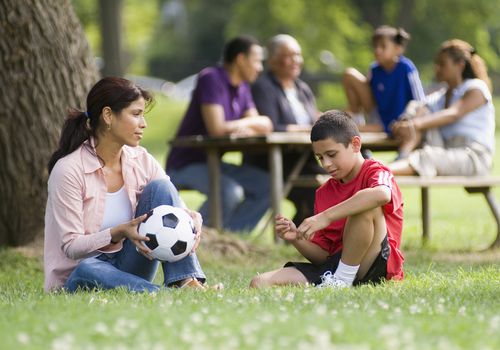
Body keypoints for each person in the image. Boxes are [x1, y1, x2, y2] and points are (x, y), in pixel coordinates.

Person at [44, 77, 208, 293]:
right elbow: (72, 247)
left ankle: (186, 281)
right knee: (88, 267)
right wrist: (118, 232)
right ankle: (161, 294)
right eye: (136, 114)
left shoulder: (141, 159)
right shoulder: (69, 170)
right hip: (81, 275)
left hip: (129, 267)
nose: (144, 123)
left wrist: (191, 217)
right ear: (108, 115)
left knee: (161, 187)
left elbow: (173, 203)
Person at [250, 110, 404, 289]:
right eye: (320, 158)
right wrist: (296, 239)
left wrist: (325, 217)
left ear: (355, 144)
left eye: (332, 154)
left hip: (374, 265)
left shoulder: (377, 172)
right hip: (336, 268)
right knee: (259, 282)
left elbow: (382, 195)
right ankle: (339, 281)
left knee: (365, 204)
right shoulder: (324, 193)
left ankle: (342, 281)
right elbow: (324, 257)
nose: (326, 164)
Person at [166, 35, 273, 233]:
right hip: (185, 164)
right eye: (257, 61)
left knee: (268, 185)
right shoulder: (211, 77)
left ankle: (231, 239)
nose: (260, 67)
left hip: (213, 162)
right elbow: (217, 128)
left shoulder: (242, 87)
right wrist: (244, 124)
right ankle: (193, 235)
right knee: (229, 191)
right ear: (241, 59)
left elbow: (264, 124)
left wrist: (240, 124)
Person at [244, 34, 325, 225]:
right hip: (271, 160)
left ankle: (303, 232)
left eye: (298, 55)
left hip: (302, 159)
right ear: (272, 61)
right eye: (289, 56)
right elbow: (270, 126)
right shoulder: (262, 87)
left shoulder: (302, 88)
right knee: (316, 189)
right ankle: (298, 233)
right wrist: (305, 129)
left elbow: (315, 119)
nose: (295, 61)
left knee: (340, 179)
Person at [389, 39, 495, 177]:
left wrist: (414, 124)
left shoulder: (476, 88)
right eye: (436, 64)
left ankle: (382, 171)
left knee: (428, 156)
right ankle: (404, 153)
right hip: (446, 149)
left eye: (442, 64)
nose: (436, 68)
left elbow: (453, 114)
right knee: (418, 107)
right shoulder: (441, 95)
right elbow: (420, 108)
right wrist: (405, 122)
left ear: (460, 65)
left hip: (472, 157)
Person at [342, 26, 425, 140]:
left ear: (397, 49)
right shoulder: (374, 69)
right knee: (349, 74)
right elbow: (366, 98)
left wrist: (408, 121)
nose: (377, 50)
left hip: (399, 123)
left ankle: (356, 129)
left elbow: (420, 100)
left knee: (345, 130)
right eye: (375, 46)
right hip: (379, 118)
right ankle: (356, 121)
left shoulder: (406, 68)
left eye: (383, 46)